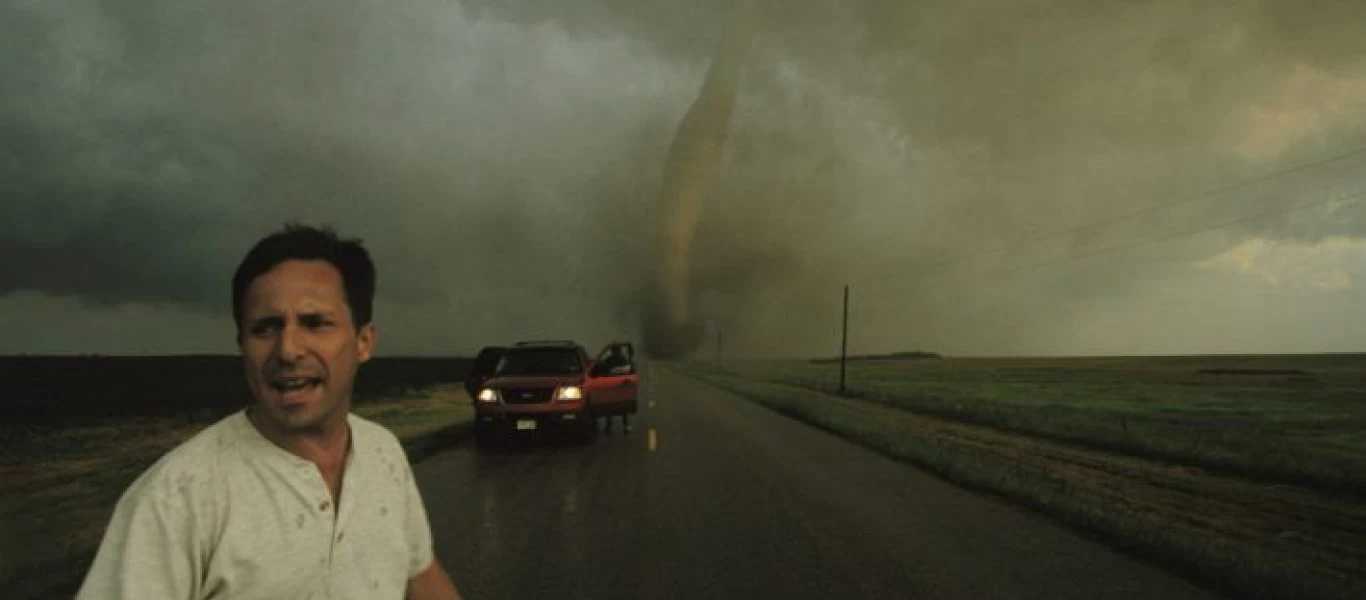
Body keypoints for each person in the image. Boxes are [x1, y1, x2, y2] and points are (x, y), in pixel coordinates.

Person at [76, 223, 462, 600]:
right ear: (242, 344)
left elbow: (420, 574)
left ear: (363, 342)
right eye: (265, 328)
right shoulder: (177, 497)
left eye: (315, 323)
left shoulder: (384, 453)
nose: (288, 350)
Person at [598, 345, 633, 434]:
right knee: (623, 406)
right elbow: (631, 371)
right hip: (622, 386)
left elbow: (603, 371)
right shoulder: (625, 360)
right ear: (620, 351)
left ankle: (608, 426)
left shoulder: (609, 360)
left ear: (612, 351)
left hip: (611, 386)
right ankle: (626, 426)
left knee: (610, 406)